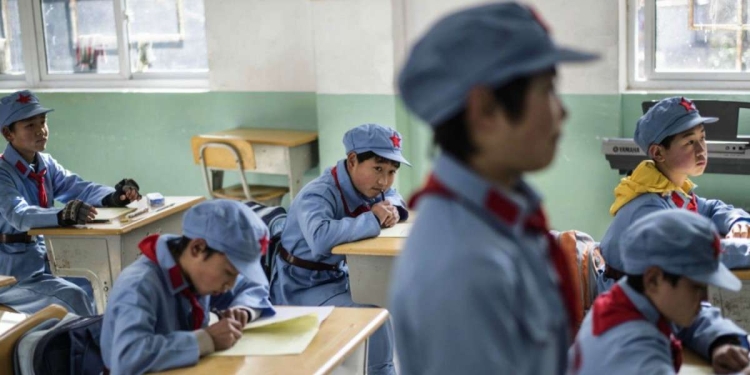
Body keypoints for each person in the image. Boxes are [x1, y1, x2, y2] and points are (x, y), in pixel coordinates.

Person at [389, 3, 598, 374]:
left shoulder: (502, 221)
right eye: (548, 90)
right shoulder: (464, 265)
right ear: (485, 110)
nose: (562, 112)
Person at [271, 123, 409, 375]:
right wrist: (373, 219)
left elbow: (394, 196)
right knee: (376, 316)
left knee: (398, 299)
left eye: (391, 171)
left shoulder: (372, 186)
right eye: (378, 168)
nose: (384, 180)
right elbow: (321, 238)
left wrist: (393, 210)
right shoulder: (318, 194)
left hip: (339, 277)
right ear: (353, 159)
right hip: (301, 286)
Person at [0, 90, 141, 315]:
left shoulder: (45, 164)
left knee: (104, 282)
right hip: (12, 276)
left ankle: (107, 340)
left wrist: (113, 196)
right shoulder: (2, 173)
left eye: (43, 121)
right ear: (8, 133)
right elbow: (19, 215)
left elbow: (78, 187)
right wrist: (62, 215)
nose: (41, 130)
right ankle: (91, 348)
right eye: (29, 125)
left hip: (46, 264)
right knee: (73, 297)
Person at [101, 199, 274, 375]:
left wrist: (242, 309)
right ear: (197, 248)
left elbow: (253, 287)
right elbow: (126, 360)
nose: (229, 285)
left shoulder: (195, 272)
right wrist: (206, 340)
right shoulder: (139, 286)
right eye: (229, 273)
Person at [599, 96, 750, 293]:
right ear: (658, 153)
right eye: (689, 142)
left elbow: (711, 209)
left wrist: (737, 222)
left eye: (702, 138)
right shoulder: (648, 208)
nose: (701, 149)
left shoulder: (669, 191)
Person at [570, 210, 750, 375]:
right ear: (653, 279)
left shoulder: (628, 299)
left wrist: (722, 342)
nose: (706, 298)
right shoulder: (636, 355)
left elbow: (698, 317)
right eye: (697, 288)